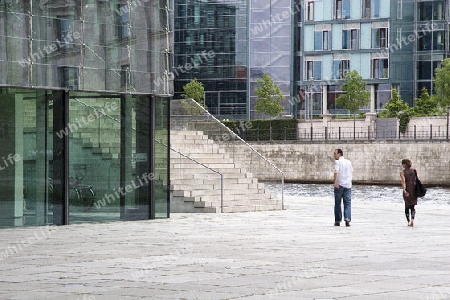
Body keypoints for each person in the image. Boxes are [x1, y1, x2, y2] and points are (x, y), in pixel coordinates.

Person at [333, 148, 353, 227]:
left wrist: (335, 182)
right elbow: (351, 171)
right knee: (347, 203)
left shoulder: (337, 162)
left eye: (335, 153)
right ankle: (347, 219)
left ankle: (338, 221)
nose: (334, 155)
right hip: (348, 185)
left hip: (339, 185)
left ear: (339, 154)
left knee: (338, 203)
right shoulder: (349, 162)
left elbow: (336, 172)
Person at [400, 159, 418, 227]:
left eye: (402, 164)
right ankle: (413, 219)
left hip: (408, 189)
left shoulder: (402, 172)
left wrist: (404, 190)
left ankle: (409, 221)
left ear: (404, 164)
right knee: (412, 207)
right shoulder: (414, 171)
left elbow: (403, 181)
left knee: (407, 206)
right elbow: (416, 180)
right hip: (414, 190)